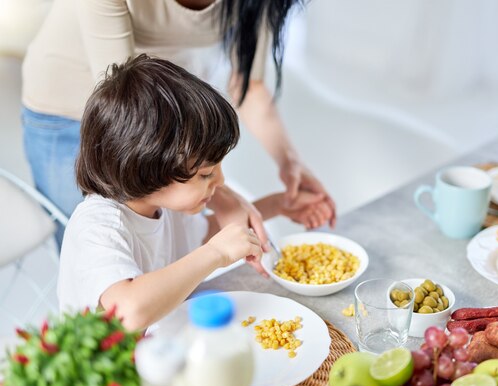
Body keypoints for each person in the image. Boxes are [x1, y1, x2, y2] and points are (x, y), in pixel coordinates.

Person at [21, 0, 335, 246]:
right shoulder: (131, 116)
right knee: (98, 247)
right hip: (81, 107)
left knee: (160, 240)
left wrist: (289, 162)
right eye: (209, 173)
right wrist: (216, 193)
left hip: (166, 114)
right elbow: (125, 105)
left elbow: (250, 86)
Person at [58, 55, 328, 331]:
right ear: (148, 169)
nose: (221, 181)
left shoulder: (161, 205)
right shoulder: (97, 226)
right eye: (205, 174)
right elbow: (127, 311)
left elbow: (199, 235)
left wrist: (278, 204)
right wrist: (216, 253)